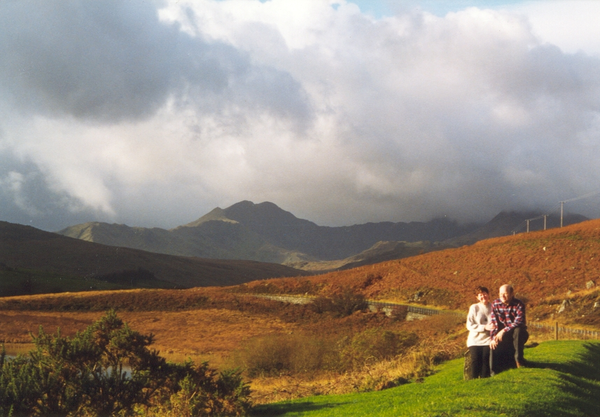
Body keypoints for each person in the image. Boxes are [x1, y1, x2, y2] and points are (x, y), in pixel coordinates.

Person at [489, 284, 529, 374]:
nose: (502, 296)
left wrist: (503, 330)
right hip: (503, 334)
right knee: (493, 343)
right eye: (500, 294)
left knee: (517, 330)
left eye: (505, 294)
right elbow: (494, 323)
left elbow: (519, 321)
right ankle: (493, 372)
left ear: (511, 294)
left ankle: (519, 361)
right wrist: (493, 338)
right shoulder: (495, 304)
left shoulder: (519, 304)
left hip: (519, 333)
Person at [466, 286, 492, 379]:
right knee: (475, 359)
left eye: (484, 294)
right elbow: (469, 325)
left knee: (486, 358)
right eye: (480, 295)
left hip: (488, 339)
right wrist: (484, 327)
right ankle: (473, 380)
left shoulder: (493, 307)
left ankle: (484, 380)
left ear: (488, 294)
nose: (483, 296)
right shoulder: (474, 307)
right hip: (475, 339)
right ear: (477, 297)